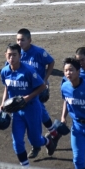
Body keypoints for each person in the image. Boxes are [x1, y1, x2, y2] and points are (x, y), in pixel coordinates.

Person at [0, 44, 57, 169]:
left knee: (36, 140)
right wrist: (3, 103)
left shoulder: (29, 71)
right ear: (5, 55)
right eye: (9, 55)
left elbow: (42, 86)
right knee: (17, 142)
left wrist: (27, 98)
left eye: (14, 55)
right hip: (17, 112)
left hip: (32, 109)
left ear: (20, 56)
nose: (11, 58)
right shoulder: (5, 71)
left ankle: (48, 141)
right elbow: (7, 87)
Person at [15, 29, 61, 159]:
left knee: (36, 112)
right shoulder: (17, 54)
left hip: (38, 88)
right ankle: (54, 133)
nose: (19, 42)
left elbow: (51, 62)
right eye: (18, 40)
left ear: (29, 40)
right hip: (24, 89)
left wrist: (45, 79)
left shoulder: (39, 52)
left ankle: (37, 145)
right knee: (40, 111)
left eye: (22, 40)